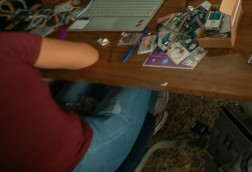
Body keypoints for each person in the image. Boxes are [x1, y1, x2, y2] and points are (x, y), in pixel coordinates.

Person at [0, 32, 158, 172]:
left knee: (88, 75)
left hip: (47, 144)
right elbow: (90, 55)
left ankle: (136, 116)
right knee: (143, 63)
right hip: (77, 158)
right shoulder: (5, 46)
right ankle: (144, 116)